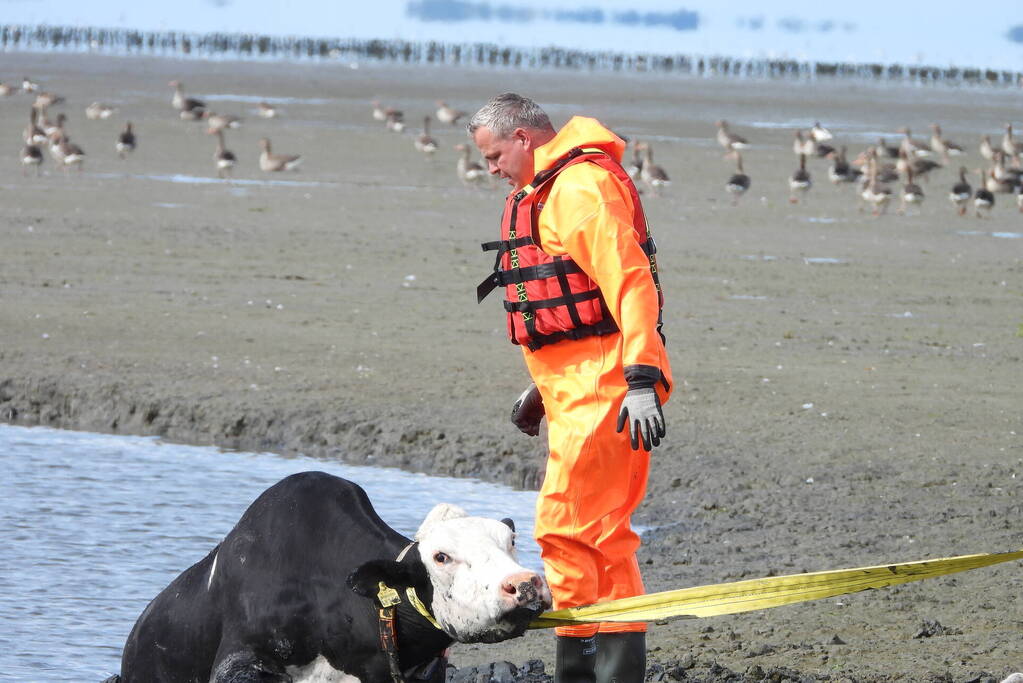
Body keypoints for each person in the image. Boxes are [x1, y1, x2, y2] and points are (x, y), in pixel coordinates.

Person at [469, 93, 672, 683]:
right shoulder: (544, 191)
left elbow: (631, 285)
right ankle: (592, 669)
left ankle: (594, 670)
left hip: (608, 389)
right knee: (594, 535)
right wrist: (542, 386)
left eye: (494, 154)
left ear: (525, 139)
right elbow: (569, 311)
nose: (491, 169)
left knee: (568, 528)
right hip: (574, 386)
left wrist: (640, 380)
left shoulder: (580, 189)